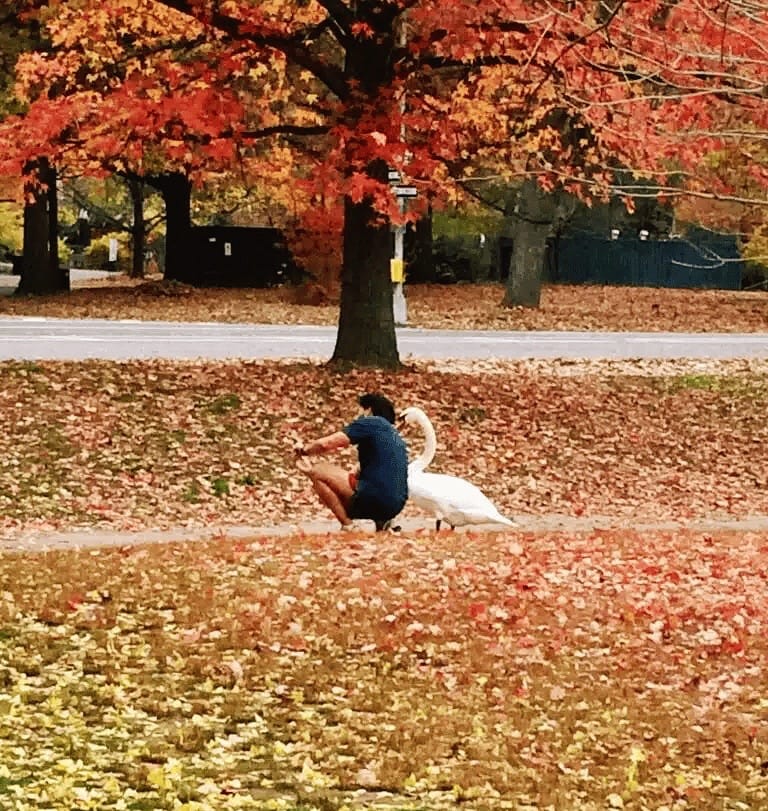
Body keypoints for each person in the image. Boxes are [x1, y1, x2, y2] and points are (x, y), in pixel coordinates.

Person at [294, 392, 408, 531]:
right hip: (395, 506)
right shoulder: (394, 436)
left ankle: (348, 526)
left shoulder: (371, 423)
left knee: (318, 472)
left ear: (369, 410)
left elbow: (327, 444)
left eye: (360, 409)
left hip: (374, 499)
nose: (357, 415)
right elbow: (361, 471)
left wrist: (304, 450)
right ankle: (384, 522)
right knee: (367, 481)